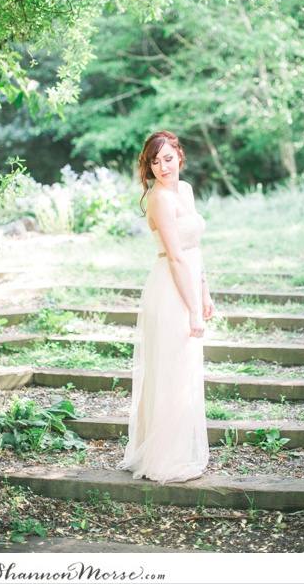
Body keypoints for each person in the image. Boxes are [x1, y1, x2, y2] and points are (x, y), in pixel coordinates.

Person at [117, 131, 213, 483]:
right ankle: (161, 458)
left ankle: (174, 449)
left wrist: (204, 291)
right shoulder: (158, 198)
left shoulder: (184, 190)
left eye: (168, 158)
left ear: (179, 156)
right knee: (171, 369)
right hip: (169, 289)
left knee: (183, 371)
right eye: (155, 162)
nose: (162, 167)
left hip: (188, 282)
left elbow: (194, 248)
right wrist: (190, 309)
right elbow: (174, 256)